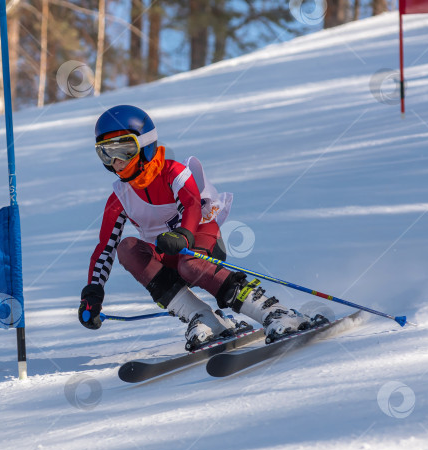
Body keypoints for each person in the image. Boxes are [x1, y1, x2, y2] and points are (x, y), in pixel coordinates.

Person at [78, 104, 315, 351]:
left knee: (189, 263)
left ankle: (274, 311)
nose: (116, 162)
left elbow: (191, 204)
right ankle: (204, 318)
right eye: (106, 153)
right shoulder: (119, 197)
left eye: (125, 150)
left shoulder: (173, 172)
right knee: (127, 248)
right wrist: (93, 291)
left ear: (144, 145)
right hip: (167, 253)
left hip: (201, 238)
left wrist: (183, 234)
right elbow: (106, 248)